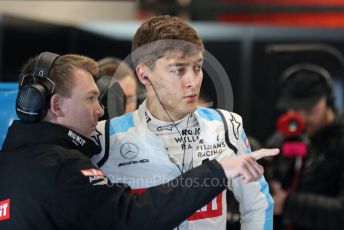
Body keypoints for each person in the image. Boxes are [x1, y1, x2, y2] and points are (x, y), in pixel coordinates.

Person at [0, 51, 278, 230]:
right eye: (90, 98)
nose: (100, 110)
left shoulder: (13, 161)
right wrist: (220, 169)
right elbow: (133, 217)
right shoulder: (63, 167)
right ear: (57, 106)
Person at [92, 15, 275, 230]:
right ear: (144, 75)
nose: (192, 81)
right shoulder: (105, 138)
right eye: (179, 69)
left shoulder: (226, 126)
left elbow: (258, 204)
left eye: (197, 67)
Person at [265, 63, 344, 230]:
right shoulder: (288, 135)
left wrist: (289, 204)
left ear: (328, 101)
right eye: (294, 109)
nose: (301, 119)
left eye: (310, 111)